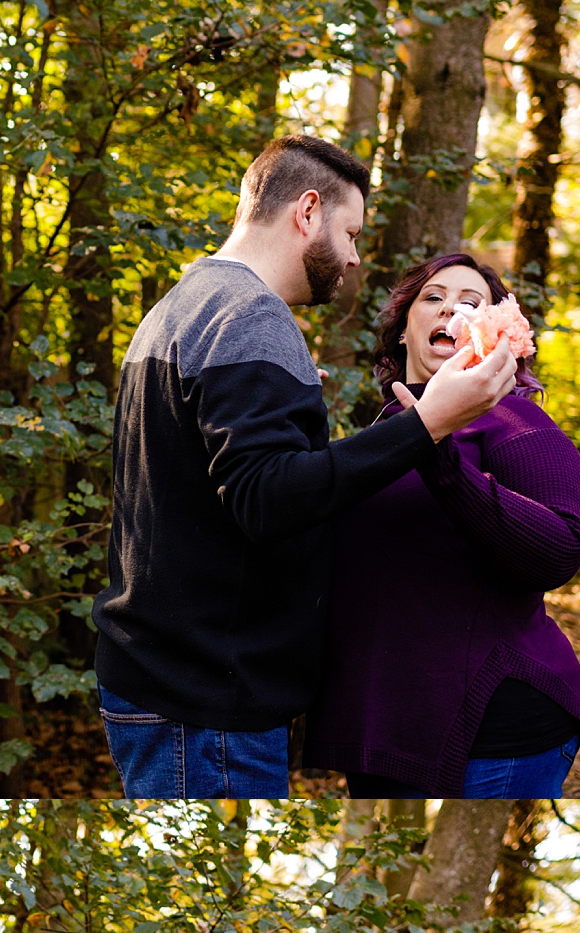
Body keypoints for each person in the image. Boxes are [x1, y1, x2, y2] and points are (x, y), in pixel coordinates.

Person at [93, 139, 519, 806]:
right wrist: (428, 424)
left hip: (165, 680)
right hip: (205, 703)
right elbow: (268, 502)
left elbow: (213, 474)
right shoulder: (253, 315)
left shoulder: (185, 303)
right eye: (349, 233)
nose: (352, 257)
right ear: (308, 211)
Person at [307, 247, 580, 801]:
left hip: (494, 729)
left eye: (470, 301)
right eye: (432, 299)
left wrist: (441, 459)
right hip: (383, 726)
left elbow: (560, 552)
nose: (448, 310)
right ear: (404, 334)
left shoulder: (517, 421)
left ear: (498, 333)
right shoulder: (382, 433)